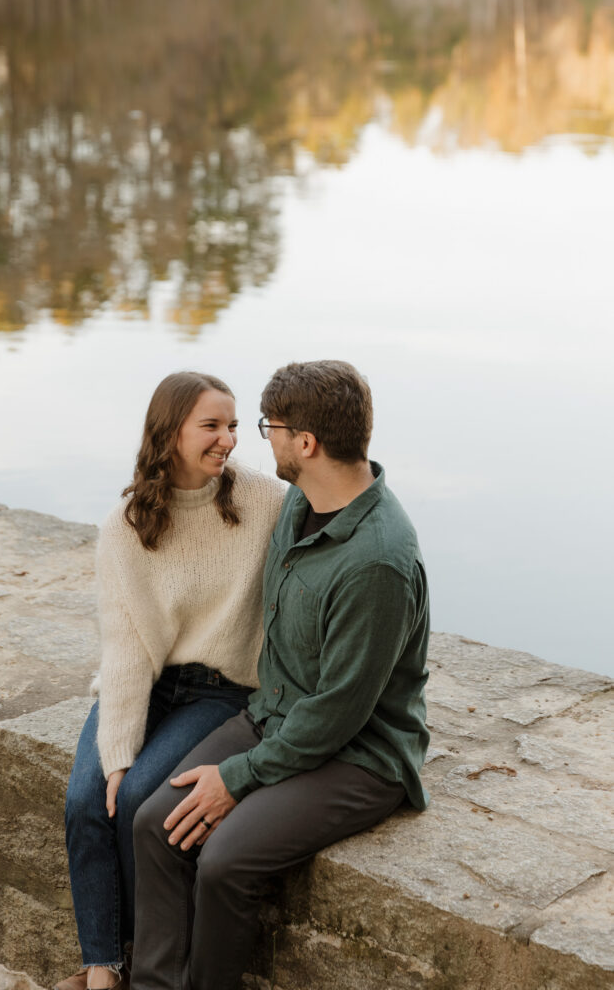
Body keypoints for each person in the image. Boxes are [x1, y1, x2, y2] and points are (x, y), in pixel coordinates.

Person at [130, 360, 431, 990]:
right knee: (155, 826)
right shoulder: (300, 501)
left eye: (269, 426)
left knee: (224, 862)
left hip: (359, 755)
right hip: (273, 716)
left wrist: (237, 778)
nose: (258, 437)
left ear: (306, 443)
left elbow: (340, 713)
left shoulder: (377, 562)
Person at [56, 372, 285, 990]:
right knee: (88, 801)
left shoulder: (266, 502)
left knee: (137, 806)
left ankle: (142, 958)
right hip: (147, 684)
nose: (229, 440)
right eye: (212, 426)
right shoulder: (126, 523)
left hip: (220, 690)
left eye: (234, 426)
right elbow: (126, 646)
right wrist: (119, 752)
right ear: (171, 432)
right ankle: (104, 968)